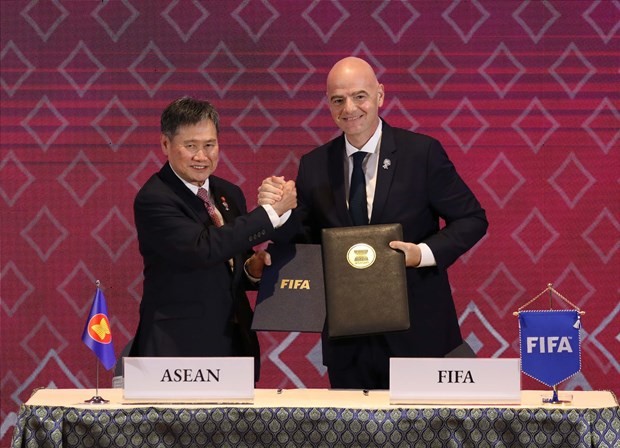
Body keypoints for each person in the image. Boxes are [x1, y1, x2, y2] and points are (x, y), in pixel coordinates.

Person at [259, 57, 488, 389]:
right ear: (328, 104)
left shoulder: (421, 153)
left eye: (359, 96)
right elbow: (304, 241)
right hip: (348, 344)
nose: (349, 108)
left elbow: (472, 218)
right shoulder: (314, 165)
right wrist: (277, 213)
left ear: (380, 95)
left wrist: (422, 253)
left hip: (418, 338)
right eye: (338, 100)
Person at [129, 97, 296, 381]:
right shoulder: (155, 198)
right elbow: (203, 249)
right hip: (176, 356)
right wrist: (270, 214)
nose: (201, 156)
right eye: (190, 146)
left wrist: (252, 269)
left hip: (233, 347)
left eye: (209, 145)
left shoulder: (228, 194)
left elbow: (230, 263)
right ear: (165, 145)